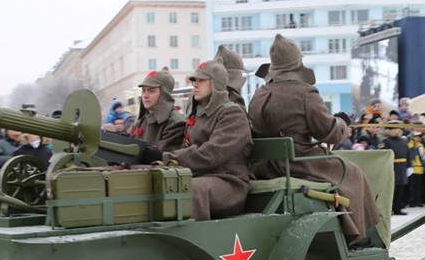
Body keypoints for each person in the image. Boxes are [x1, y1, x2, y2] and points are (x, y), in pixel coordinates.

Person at [248, 34, 380, 245]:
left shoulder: (259, 94)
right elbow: (328, 131)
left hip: (265, 165)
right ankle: (358, 235)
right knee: (353, 173)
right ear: (297, 64)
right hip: (300, 161)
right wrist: (342, 122)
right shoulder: (305, 93)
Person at [159, 60, 252, 221]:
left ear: (215, 84)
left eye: (202, 80)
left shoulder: (232, 114)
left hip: (229, 181)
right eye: (195, 80)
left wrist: (170, 158)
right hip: (201, 175)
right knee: (160, 181)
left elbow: (211, 154)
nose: (195, 84)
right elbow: (187, 146)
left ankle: (190, 241)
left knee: (191, 190)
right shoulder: (199, 114)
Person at [131, 68, 186, 151]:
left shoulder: (175, 123)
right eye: (143, 90)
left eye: (151, 91)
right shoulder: (142, 121)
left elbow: (160, 157)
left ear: (164, 94)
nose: (145, 95)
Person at [380, 121, 409, 215]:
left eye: (397, 129)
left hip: (402, 167)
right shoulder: (386, 142)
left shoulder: (403, 141)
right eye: (393, 129)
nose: (396, 131)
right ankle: (390, 208)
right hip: (392, 167)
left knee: (401, 188)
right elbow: (383, 156)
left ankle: (398, 208)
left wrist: (409, 166)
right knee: (392, 189)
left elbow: (407, 154)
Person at [406, 131, 425, 207]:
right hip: (412, 168)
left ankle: (418, 201)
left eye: (419, 137)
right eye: (416, 136)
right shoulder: (409, 145)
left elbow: (423, 155)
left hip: (419, 168)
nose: (418, 138)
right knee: (412, 186)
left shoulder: (420, 145)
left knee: (418, 186)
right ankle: (411, 201)